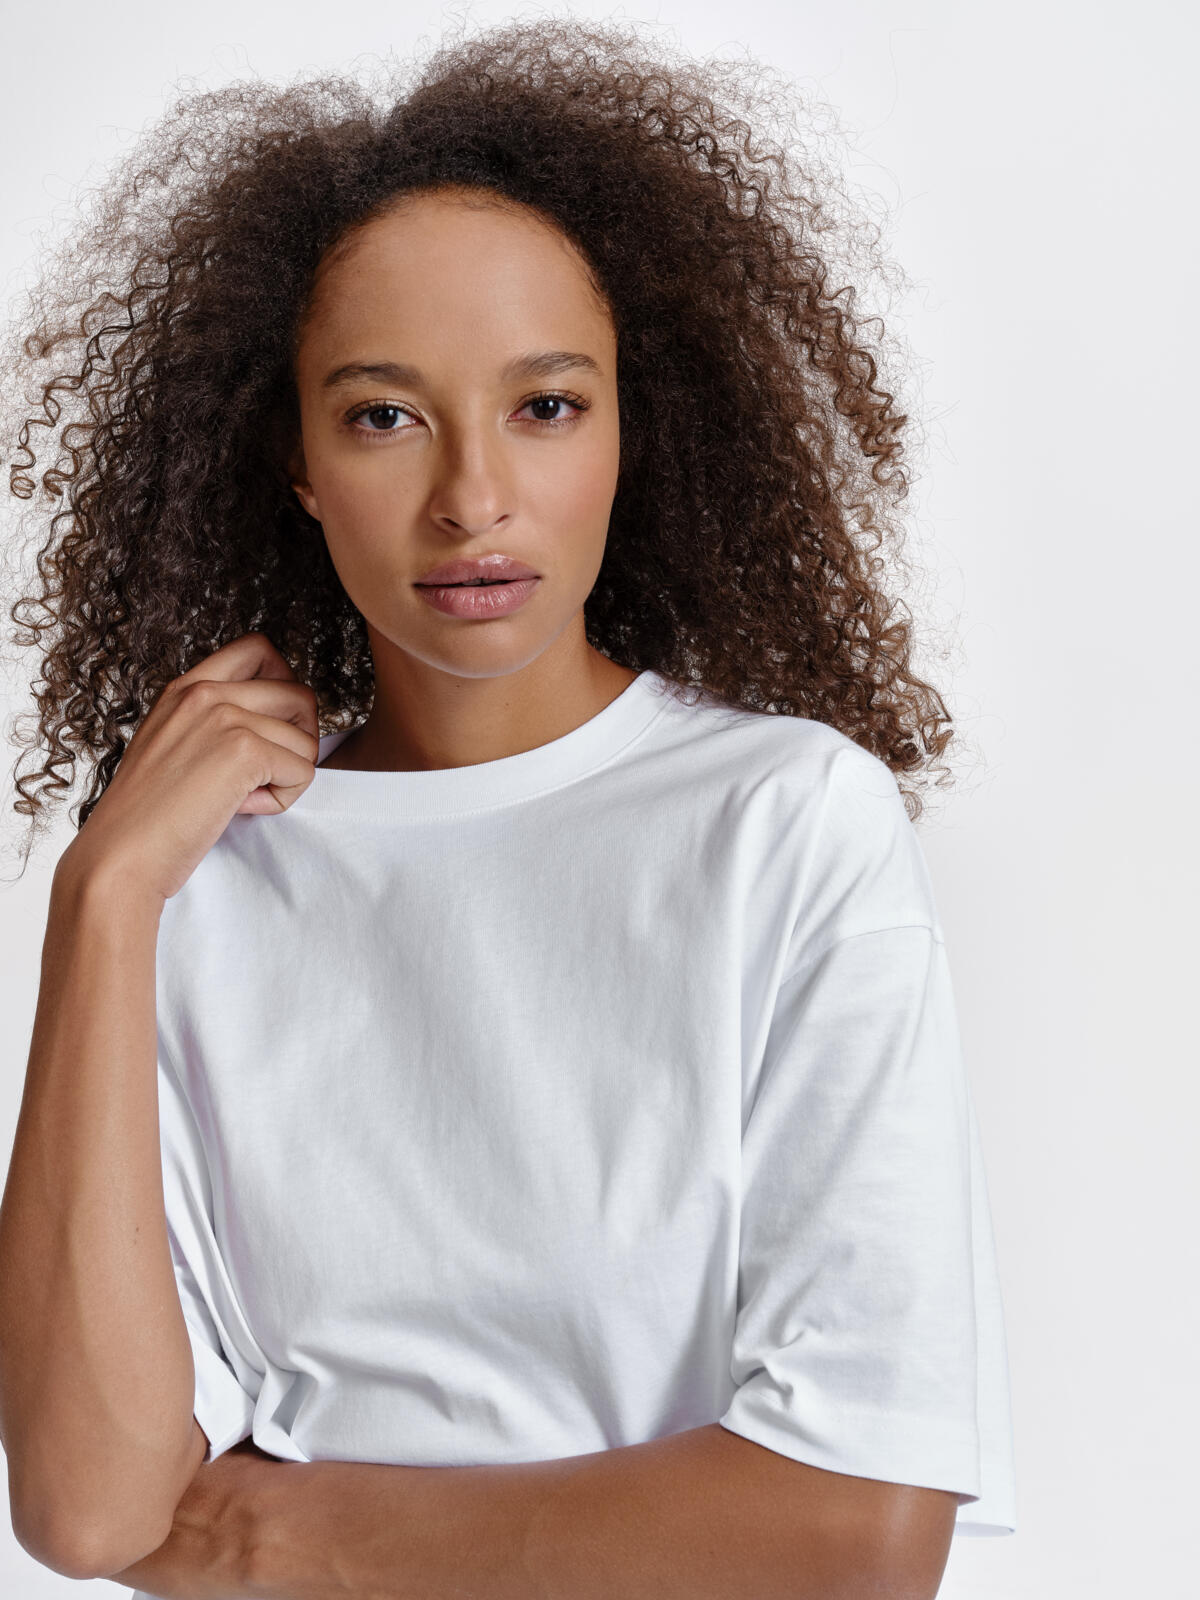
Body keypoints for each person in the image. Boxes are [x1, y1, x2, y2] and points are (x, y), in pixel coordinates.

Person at [0, 16, 1016, 1596]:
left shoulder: (786, 824)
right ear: (296, 460)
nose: (473, 498)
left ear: (629, 428)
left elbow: (861, 1532)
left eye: (545, 406)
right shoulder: (198, 884)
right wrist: (104, 897)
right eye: (383, 415)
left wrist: (277, 1541)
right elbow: (88, 1509)